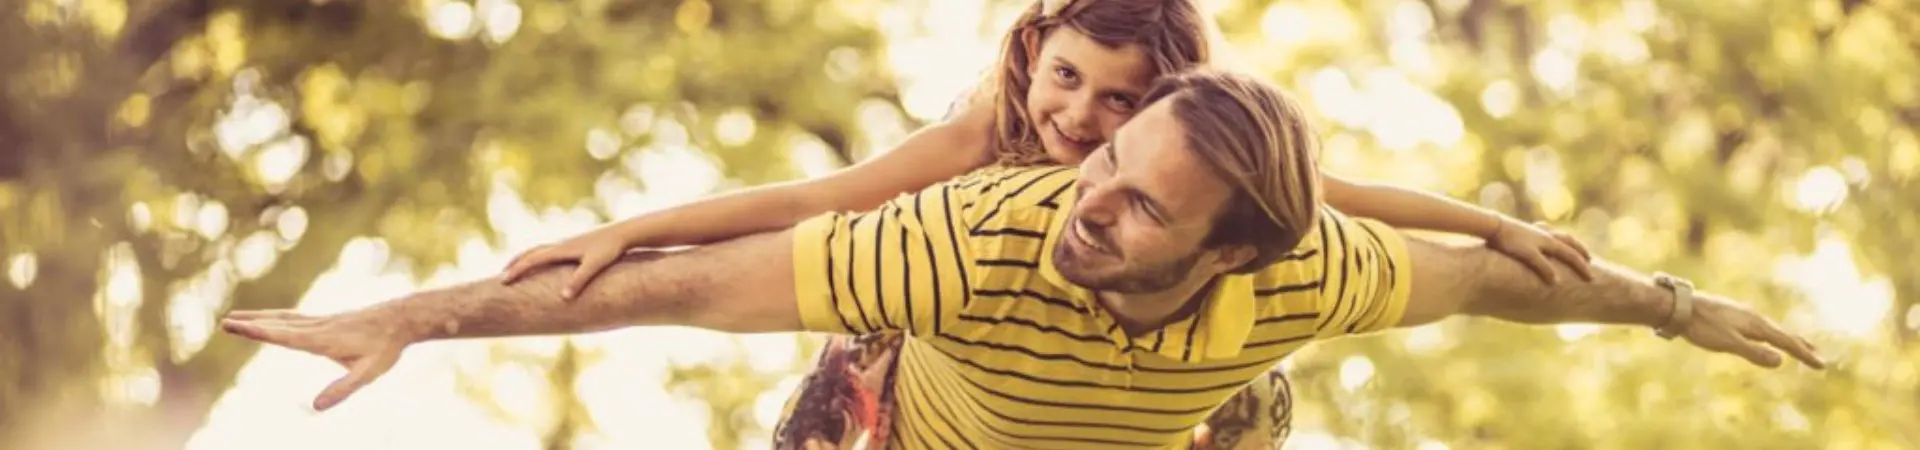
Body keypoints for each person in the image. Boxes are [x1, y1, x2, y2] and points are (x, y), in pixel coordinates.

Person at [221, 69, 1824, 449]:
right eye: (1098, 160)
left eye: (1137, 202)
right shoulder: (968, 240)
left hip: (1165, 420)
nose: (1086, 196)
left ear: (1235, 248)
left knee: (1258, 403)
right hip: (925, 431)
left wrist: (1678, 307)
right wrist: (407, 315)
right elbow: (674, 286)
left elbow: (1510, 278)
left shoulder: (1310, 272)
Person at [496, 0, 1590, 447]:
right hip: (949, 344)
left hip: (1125, 368)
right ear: (1035, 53)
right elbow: (810, 204)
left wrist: (1493, 229)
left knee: (1258, 386)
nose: (1076, 116)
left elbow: (1341, 197)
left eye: (1119, 102)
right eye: (1064, 77)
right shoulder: (982, 135)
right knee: (856, 339)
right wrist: (631, 233)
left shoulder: (1193, 162)